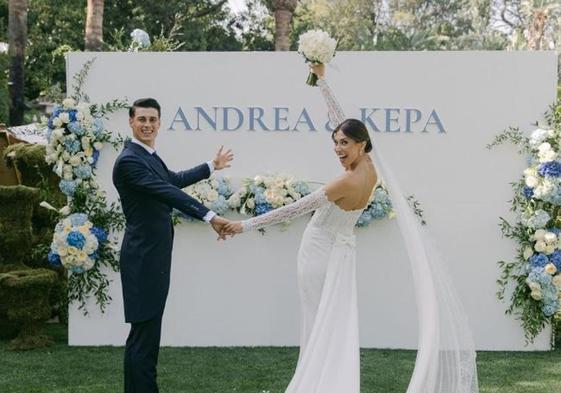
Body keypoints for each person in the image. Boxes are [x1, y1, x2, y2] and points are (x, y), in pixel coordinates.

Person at [222, 65, 479, 393]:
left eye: (344, 143)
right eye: (335, 142)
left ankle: (315, 384)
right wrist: (322, 81)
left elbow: (294, 209)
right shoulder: (371, 166)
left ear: (361, 144)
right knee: (332, 322)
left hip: (318, 251)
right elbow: (340, 118)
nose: (338, 148)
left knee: (317, 322)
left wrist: (241, 226)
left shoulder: (345, 179)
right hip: (342, 252)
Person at [112, 97, 233, 393]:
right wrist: (210, 216)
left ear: (159, 123)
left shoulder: (148, 156)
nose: (147, 125)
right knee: (144, 337)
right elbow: (166, 191)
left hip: (152, 258)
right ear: (130, 121)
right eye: (142, 119)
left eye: (153, 120)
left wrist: (210, 166)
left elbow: (173, 180)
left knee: (146, 335)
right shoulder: (129, 160)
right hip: (143, 259)